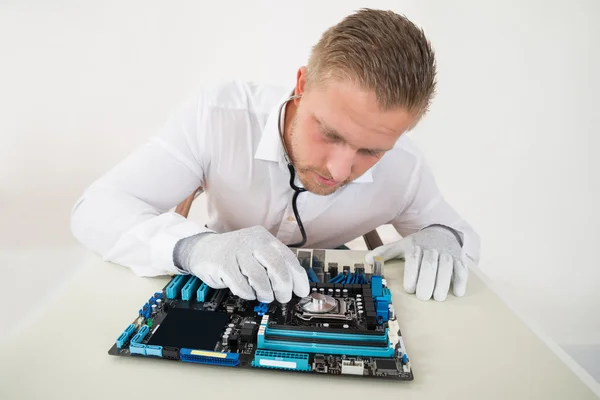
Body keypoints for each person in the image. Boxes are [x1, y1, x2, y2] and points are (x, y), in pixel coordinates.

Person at [70, 8, 480, 305]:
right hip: (217, 273)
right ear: (302, 83)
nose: (338, 170)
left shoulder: (406, 167)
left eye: (371, 151)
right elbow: (95, 210)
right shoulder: (215, 116)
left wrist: (448, 238)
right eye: (330, 133)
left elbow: (462, 238)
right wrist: (195, 248)